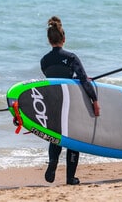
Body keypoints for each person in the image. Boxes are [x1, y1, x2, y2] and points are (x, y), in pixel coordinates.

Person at [40, 16, 100, 185]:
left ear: (49, 40)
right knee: (73, 139)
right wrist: (94, 100)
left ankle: (53, 162)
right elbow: (83, 80)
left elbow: (53, 78)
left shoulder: (44, 61)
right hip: (70, 102)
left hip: (52, 103)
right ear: (64, 39)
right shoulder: (72, 58)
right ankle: (70, 177)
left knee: (55, 136)